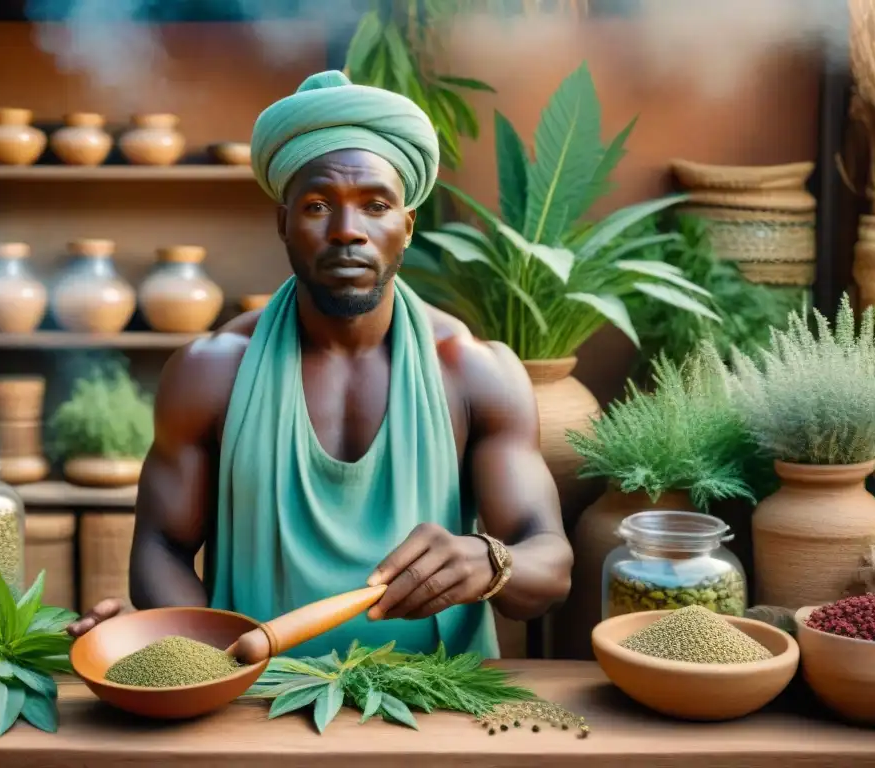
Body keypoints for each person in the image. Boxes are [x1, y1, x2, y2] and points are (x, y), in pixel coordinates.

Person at [67, 70, 573, 659]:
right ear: (282, 223)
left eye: (376, 205)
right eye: (316, 205)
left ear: (406, 228)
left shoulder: (474, 371)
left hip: (441, 705)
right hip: (255, 702)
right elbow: (160, 548)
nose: (347, 232)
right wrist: (210, 659)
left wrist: (492, 561)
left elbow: (550, 565)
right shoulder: (210, 372)